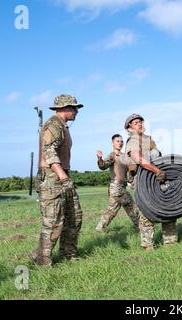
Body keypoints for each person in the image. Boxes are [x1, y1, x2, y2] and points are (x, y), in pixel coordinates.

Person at [31, 94, 84, 266]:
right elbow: (49, 152)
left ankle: (68, 254)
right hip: (53, 179)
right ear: (65, 108)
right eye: (74, 108)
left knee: (74, 217)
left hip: (63, 177)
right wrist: (62, 176)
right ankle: (42, 261)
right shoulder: (53, 125)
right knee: (53, 223)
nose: (76, 111)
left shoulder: (63, 126)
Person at [124, 114, 177, 250]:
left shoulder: (148, 139)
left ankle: (171, 242)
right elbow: (137, 158)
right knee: (146, 212)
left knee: (167, 208)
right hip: (144, 181)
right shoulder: (134, 139)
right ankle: (148, 245)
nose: (139, 124)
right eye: (135, 123)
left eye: (140, 121)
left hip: (157, 178)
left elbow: (157, 157)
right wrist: (156, 170)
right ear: (129, 127)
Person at [95, 134, 139, 232]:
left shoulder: (124, 156)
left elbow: (128, 172)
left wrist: (131, 181)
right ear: (113, 143)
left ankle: (100, 228)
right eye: (117, 141)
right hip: (116, 188)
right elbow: (103, 166)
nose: (120, 143)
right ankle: (141, 226)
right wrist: (100, 159)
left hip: (121, 187)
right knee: (131, 206)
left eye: (121, 141)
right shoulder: (112, 155)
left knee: (111, 210)